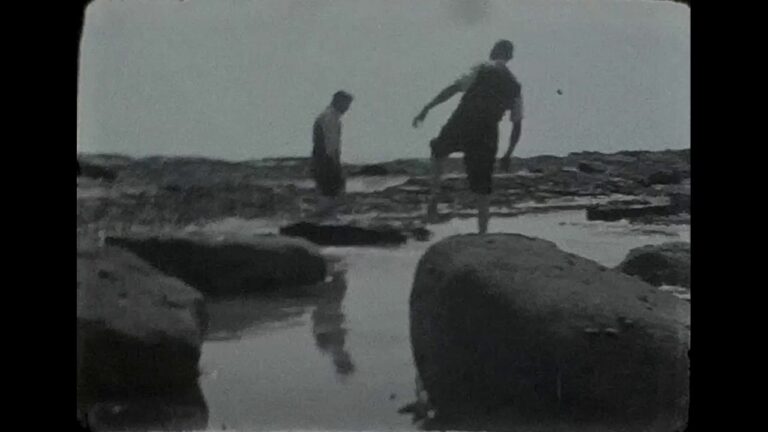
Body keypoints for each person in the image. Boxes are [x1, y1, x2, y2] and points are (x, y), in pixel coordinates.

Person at [412, 40, 524, 234]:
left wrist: (427, 108)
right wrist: (508, 154)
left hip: (464, 120)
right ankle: (483, 231)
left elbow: (453, 88)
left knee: (439, 150)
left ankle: (434, 199)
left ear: (493, 51)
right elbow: (517, 123)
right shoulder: (515, 85)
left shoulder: (482, 68)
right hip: (487, 131)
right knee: (483, 185)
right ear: (510, 57)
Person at [311, 91, 354, 220]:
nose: (347, 108)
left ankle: (327, 218)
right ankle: (327, 220)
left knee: (328, 190)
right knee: (330, 190)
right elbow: (330, 144)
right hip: (326, 159)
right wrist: (335, 163)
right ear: (338, 102)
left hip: (323, 159)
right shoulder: (330, 118)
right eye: (346, 104)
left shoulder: (329, 116)